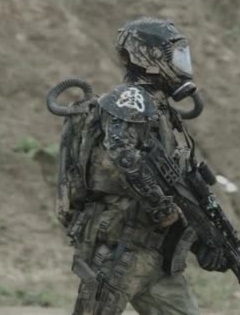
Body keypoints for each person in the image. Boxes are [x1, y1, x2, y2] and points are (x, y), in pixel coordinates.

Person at [56, 17, 229, 315]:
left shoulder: (162, 110)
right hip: (118, 250)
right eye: (175, 55)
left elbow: (180, 186)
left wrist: (205, 240)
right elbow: (122, 153)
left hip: (155, 255)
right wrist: (161, 207)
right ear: (149, 57)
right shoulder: (129, 99)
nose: (182, 64)